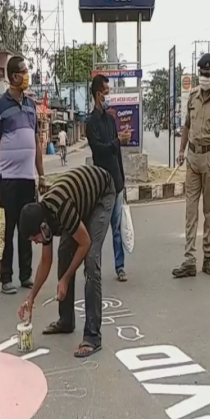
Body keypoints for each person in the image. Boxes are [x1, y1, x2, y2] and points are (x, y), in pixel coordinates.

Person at [18, 165, 115, 358]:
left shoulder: (60, 208)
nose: (37, 242)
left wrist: (66, 278)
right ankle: (66, 320)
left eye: (35, 238)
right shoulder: (44, 220)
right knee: (64, 252)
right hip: (80, 203)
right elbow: (46, 262)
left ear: (43, 227)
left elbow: (85, 242)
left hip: (101, 195)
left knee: (90, 261)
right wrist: (31, 297)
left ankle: (93, 336)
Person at [0, 55, 46, 295]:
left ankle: (25, 275)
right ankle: (6, 278)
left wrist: (41, 176)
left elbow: (36, 142)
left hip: (27, 178)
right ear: (13, 76)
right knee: (8, 228)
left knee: (27, 228)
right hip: (8, 179)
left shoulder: (32, 106)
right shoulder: (0, 106)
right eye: (23, 71)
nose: (26, 75)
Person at [172, 53, 210, 279]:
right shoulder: (192, 97)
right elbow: (186, 126)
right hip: (193, 158)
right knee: (190, 210)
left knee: (209, 210)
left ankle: (207, 257)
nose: (204, 77)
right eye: (202, 73)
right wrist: (181, 150)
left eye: (208, 73)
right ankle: (189, 259)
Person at [86, 74, 131, 282]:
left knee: (117, 227)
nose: (109, 96)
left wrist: (122, 180)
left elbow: (116, 154)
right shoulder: (91, 122)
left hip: (116, 181)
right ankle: (94, 268)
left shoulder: (111, 120)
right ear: (98, 95)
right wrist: (117, 141)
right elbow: (99, 150)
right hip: (100, 184)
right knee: (99, 229)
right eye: (106, 93)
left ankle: (120, 267)